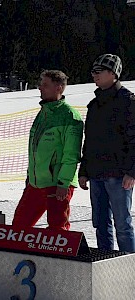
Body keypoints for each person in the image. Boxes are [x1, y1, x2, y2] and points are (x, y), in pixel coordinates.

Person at [12, 70, 84, 230]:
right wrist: (30, 177)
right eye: (40, 84)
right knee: (18, 227)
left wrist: (64, 183)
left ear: (59, 87)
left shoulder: (70, 116)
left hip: (57, 183)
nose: (40, 88)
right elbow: (35, 150)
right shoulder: (42, 113)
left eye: (45, 85)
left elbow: (71, 155)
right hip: (36, 183)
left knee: (58, 231)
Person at [79, 54, 135, 253]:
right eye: (93, 71)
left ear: (113, 74)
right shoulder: (94, 105)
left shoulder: (128, 101)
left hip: (119, 175)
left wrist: (132, 172)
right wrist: (84, 171)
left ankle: (130, 270)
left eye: (98, 71)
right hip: (96, 174)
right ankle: (104, 265)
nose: (94, 75)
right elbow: (89, 140)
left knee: (123, 226)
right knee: (100, 225)